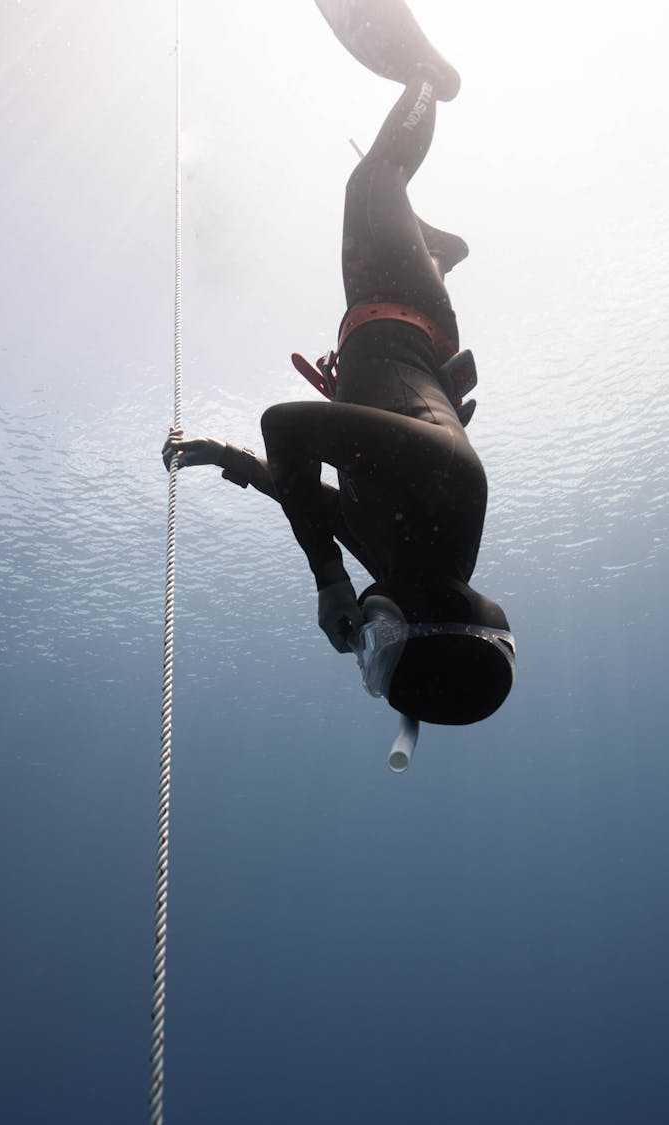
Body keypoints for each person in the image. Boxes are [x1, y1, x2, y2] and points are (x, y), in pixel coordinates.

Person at [164, 0, 515, 751]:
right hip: (403, 306)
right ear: (425, 613)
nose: (367, 641)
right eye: (384, 646)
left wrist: (224, 461)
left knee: (372, 195)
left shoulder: (399, 548)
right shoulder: (451, 487)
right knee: (372, 179)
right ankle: (430, 77)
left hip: (378, 316)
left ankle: (437, 244)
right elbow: (287, 428)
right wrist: (326, 577)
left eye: (372, 661)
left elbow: (300, 490)